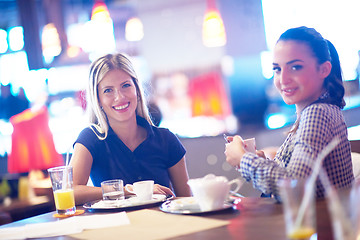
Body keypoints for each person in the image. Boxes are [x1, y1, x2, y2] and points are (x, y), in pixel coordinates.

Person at [224, 26, 354, 198]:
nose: (283, 79)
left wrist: (243, 159)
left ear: (324, 69)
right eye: (277, 69)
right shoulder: (321, 110)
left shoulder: (317, 113)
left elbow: (296, 186)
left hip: (318, 224)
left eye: (295, 67)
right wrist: (261, 161)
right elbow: (302, 176)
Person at [70, 53, 192, 204]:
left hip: (164, 225)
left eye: (125, 85)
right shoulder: (91, 138)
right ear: (98, 99)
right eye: (108, 90)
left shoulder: (167, 140)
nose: (119, 97)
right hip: (116, 226)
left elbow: (187, 202)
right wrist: (128, 190)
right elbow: (70, 192)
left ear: (137, 90)